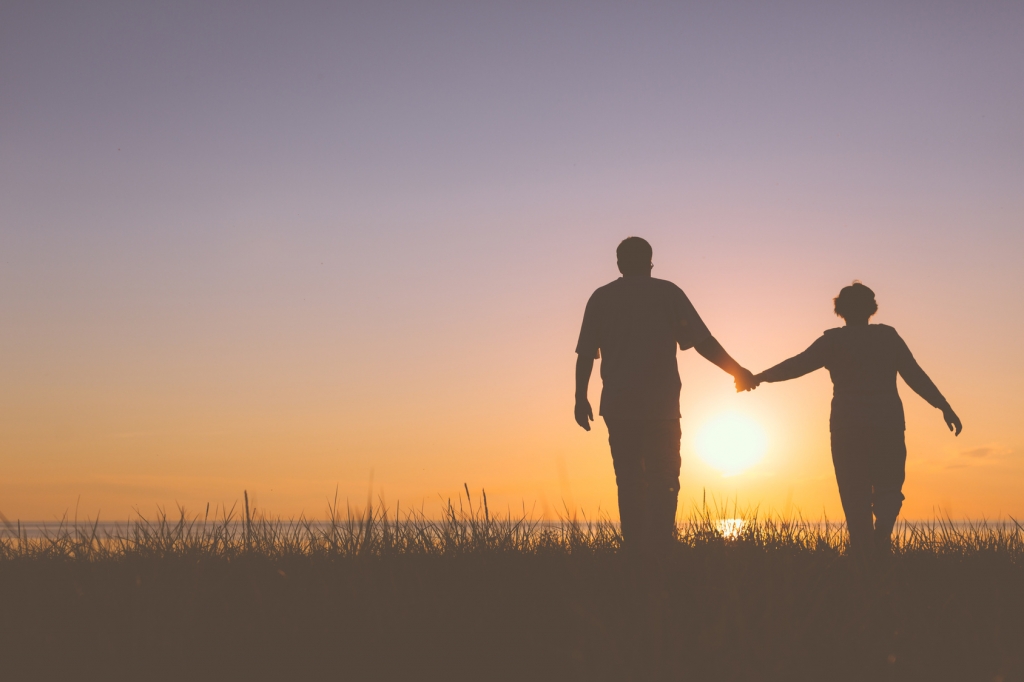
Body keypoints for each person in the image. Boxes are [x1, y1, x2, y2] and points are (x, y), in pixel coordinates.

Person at [748, 282, 962, 556]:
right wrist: (943, 405)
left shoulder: (833, 341)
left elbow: (797, 365)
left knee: (854, 496)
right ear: (872, 308)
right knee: (888, 488)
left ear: (840, 310)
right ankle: (880, 537)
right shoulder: (887, 337)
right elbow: (914, 375)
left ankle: (864, 556)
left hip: (848, 427)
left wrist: (758, 377)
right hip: (886, 424)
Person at [574, 237, 756, 557]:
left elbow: (586, 354)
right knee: (664, 480)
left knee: (629, 481)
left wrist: (580, 397)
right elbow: (702, 341)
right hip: (661, 408)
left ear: (618, 263)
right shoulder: (667, 293)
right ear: (651, 262)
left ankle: (636, 551)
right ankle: (659, 548)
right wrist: (737, 370)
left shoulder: (602, 297)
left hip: (619, 405)